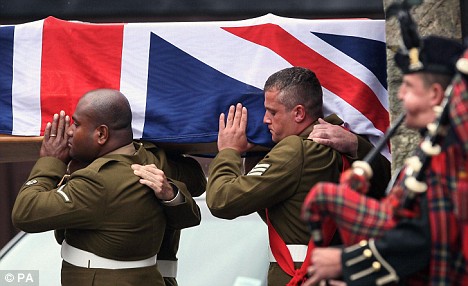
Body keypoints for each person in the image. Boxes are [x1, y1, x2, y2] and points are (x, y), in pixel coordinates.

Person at [302, 36, 468, 285]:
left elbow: (427, 237)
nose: (399, 95)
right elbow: (399, 223)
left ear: (434, 94)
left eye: (409, 87)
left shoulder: (451, 155)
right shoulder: (431, 150)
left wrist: (347, 262)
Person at [205, 67, 390, 285]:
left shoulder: (296, 149)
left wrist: (229, 151)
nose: (265, 120)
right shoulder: (341, 145)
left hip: (299, 276)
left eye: (272, 112)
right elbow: (280, 212)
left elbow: (222, 201)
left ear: (299, 113)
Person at [11, 89, 201, 286]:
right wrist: (171, 194)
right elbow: (196, 179)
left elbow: (25, 213)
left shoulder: (96, 182)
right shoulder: (152, 159)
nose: (69, 131)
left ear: (101, 134)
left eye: (76, 124)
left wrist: (51, 161)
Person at [132, 143, 207, 286]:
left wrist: (168, 192)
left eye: (77, 125)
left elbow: (198, 183)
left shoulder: (151, 157)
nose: (73, 131)